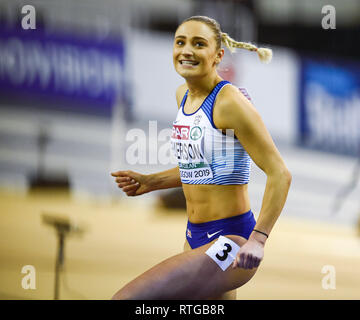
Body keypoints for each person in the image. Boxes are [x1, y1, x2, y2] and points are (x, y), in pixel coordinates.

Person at [111, 15, 291, 300]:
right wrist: (151, 181)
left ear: (218, 55)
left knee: (128, 299)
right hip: (194, 237)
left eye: (198, 44)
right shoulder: (182, 95)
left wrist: (258, 240)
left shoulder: (230, 103)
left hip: (232, 242)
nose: (186, 51)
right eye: (180, 42)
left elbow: (280, 173)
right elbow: (201, 169)